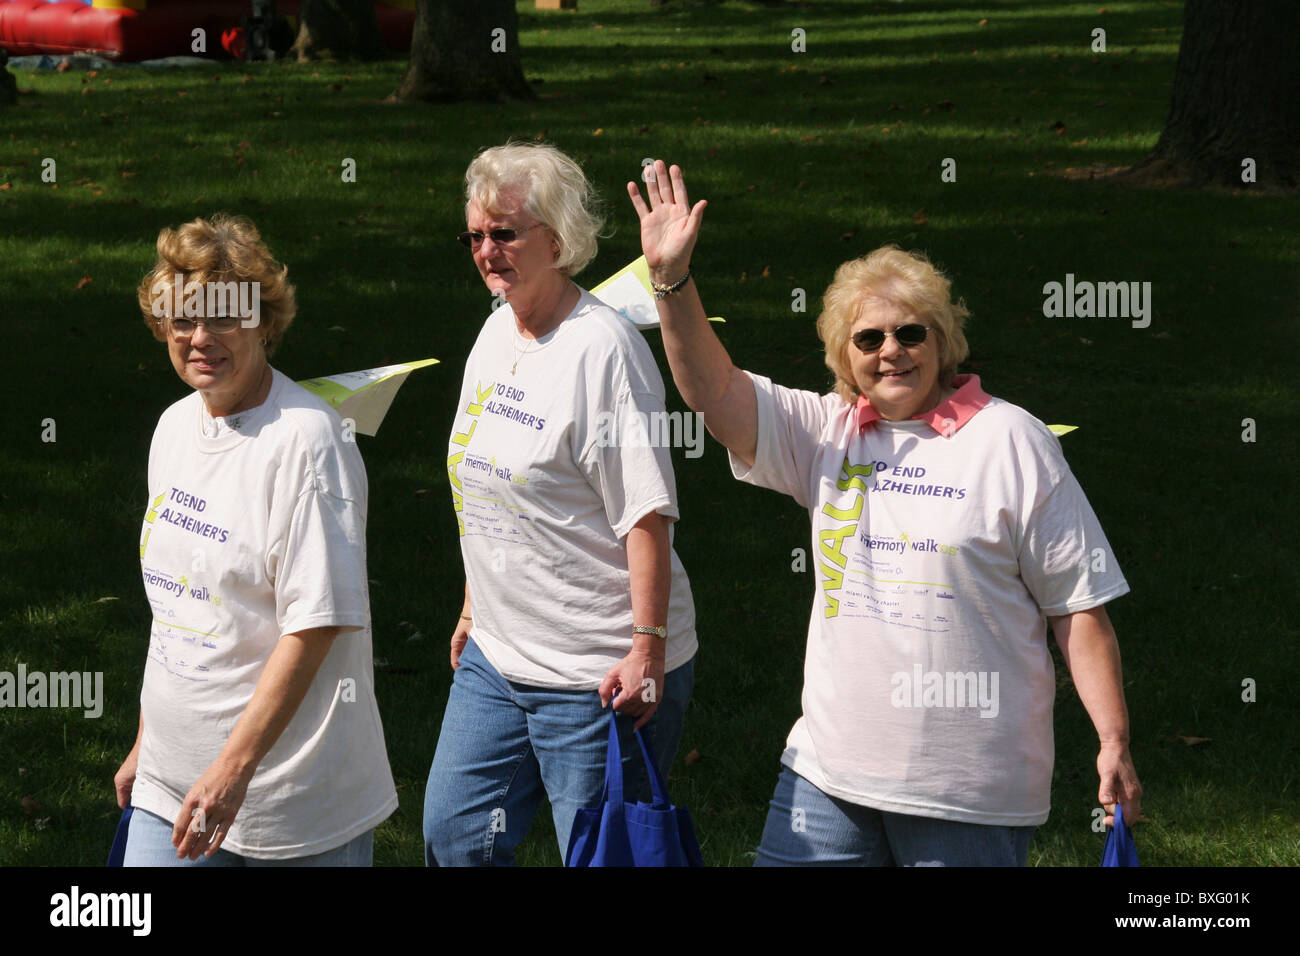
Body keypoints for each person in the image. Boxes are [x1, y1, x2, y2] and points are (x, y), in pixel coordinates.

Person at [627, 160, 1142, 866]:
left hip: (970, 793)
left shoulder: (1012, 440)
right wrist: (671, 282)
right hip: (830, 774)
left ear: (942, 341)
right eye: (868, 339)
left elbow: (1078, 608)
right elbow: (711, 391)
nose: (891, 351)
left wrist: (1112, 739)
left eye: (910, 333)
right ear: (846, 354)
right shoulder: (828, 432)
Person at [424, 142, 698, 866]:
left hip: (598, 673)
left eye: (505, 234)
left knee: (607, 855)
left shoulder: (603, 351)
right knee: (455, 838)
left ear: (560, 238)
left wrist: (647, 647)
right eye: (476, 236)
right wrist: (472, 607)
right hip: (497, 658)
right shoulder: (495, 332)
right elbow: (481, 483)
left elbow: (647, 515)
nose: (487, 251)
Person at [115, 214, 397, 866]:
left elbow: (316, 624)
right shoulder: (175, 428)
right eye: (183, 318)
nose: (201, 337)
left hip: (293, 809)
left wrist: (231, 771)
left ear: (265, 322)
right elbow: (178, 613)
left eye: (224, 318)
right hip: (172, 787)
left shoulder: (307, 441)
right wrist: (146, 744)